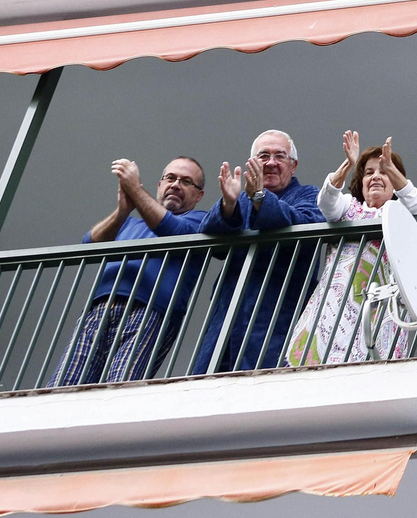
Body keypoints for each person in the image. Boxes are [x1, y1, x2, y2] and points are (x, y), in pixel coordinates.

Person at [49, 157, 210, 386]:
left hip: (151, 313)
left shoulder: (199, 221)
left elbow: (173, 230)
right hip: (101, 309)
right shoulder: (129, 224)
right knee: (64, 386)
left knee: (121, 388)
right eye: (170, 178)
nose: (175, 185)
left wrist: (135, 189)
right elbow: (89, 245)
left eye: (186, 182)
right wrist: (123, 211)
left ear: (198, 195)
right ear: (159, 184)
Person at [285, 131, 417, 365]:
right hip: (334, 310)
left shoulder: (399, 213)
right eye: (369, 172)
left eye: (385, 172)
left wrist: (392, 168)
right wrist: (348, 165)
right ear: (360, 181)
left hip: (380, 310)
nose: (377, 176)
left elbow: (414, 203)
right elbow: (326, 202)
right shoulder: (349, 206)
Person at [192, 130, 324, 374]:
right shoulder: (239, 198)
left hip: (278, 314)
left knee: (268, 388)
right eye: (263, 155)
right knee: (211, 388)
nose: (271, 163)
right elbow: (209, 238)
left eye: (280, 156)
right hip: (228, 316)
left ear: (293, 165)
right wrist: (228, 205)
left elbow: (305, 225)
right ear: (252, 163)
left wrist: (260, 198)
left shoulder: (309, 194)